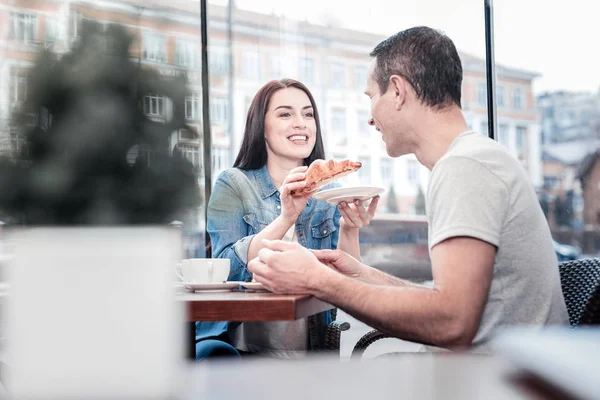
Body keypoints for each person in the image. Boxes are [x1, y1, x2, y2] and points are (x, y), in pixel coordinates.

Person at [248, 26, 569, 352]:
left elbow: (451, 322)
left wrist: (319, 280)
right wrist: (358, 275)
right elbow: (448, 299)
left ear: (398, 91)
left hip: (492, 382)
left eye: (371, 97)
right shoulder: (473, 159)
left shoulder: (465, 168)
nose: (371, 119)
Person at [196, 78, 379, 359]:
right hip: (240, 347)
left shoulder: (328, 193)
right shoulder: (233, 183)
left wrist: (349, 229)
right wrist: (286, 217)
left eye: (308, 114)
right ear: (262, 127)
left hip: (311, 351)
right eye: (285, 113)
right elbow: (225, 271)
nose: (301, 123)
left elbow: (345, 283)